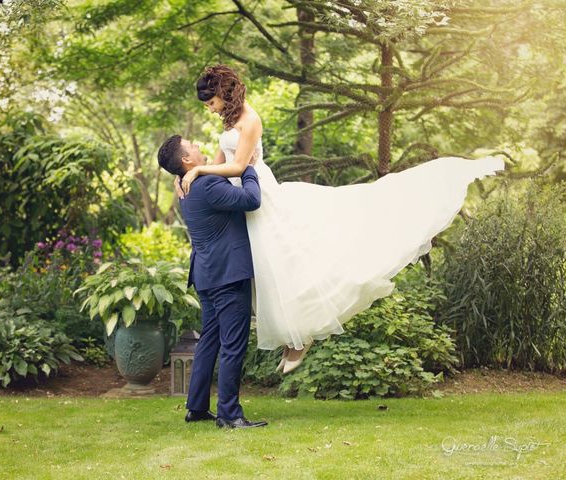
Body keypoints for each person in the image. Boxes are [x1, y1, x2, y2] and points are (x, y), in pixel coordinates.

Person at [175, 64, 506, 374]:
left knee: (289, 262)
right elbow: (221, 159)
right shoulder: (230, 122)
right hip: (241, 200)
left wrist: (200, 168)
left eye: (211, 101)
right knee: (266, 273)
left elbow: (238, 166)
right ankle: (295, 339)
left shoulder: (250, 120)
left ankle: (300, 340)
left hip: (259, 193)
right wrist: (190, 175)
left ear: (225, 93)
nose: (210, 107)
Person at [157, 134, 268, 429]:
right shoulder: (206, 185)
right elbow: (252, 200)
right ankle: (229, 414)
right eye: (192, 145)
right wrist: (246, 167)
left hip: (207, 275)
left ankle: (196, 407)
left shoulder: (186, 186)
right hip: (228, 275)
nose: (198, 145)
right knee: (233, 344)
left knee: (210, 339)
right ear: (185, 160)